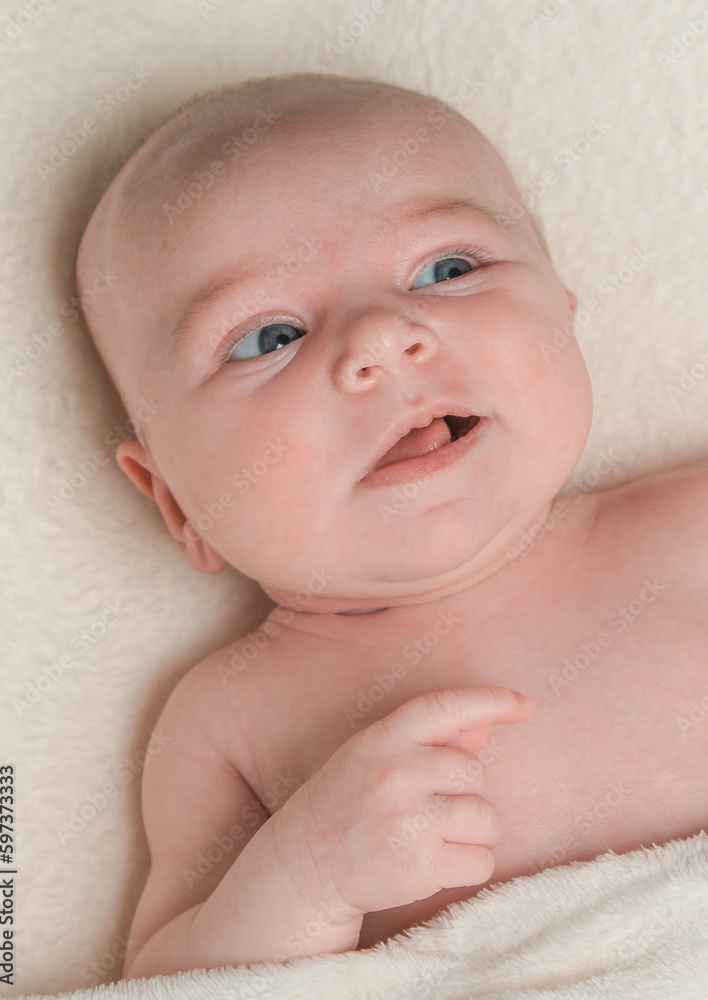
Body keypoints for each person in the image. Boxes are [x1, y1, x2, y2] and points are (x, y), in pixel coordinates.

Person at [75, 72, 708, 979]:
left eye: (447, 270)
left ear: (564, 320)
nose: (382, 336)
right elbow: (175, 985)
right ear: (177, 501)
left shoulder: (688, 527)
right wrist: (305, 878)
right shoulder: (229, 719)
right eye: (269, 338)